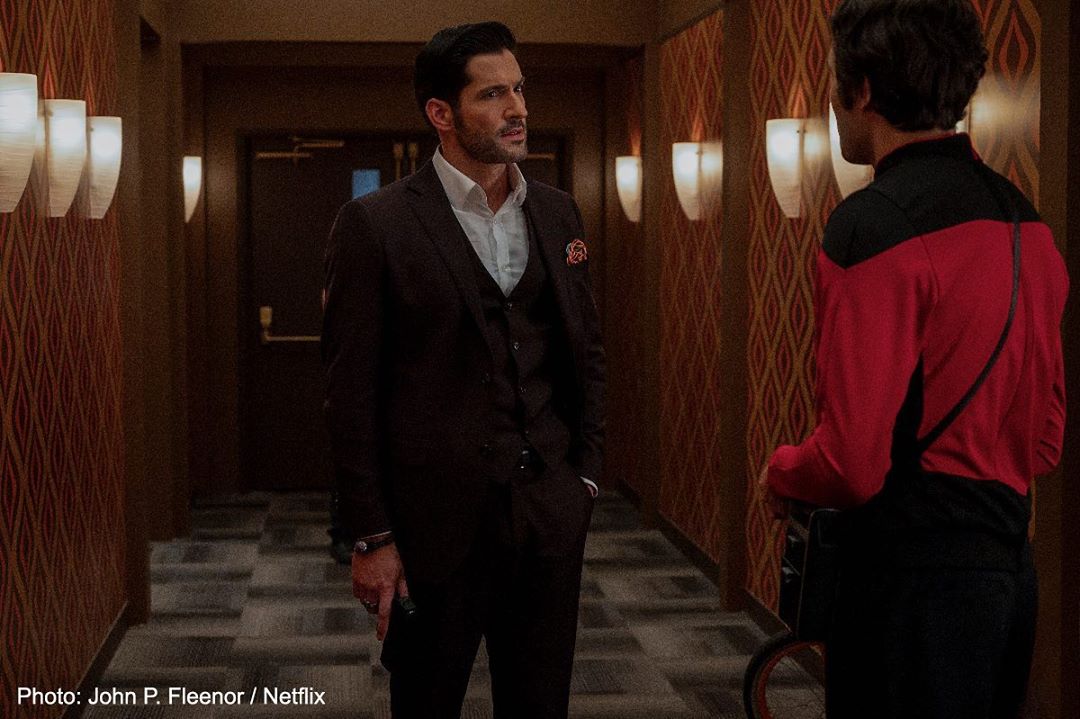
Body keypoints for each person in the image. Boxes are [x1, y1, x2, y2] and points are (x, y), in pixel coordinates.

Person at [759, 1, 1067, 717]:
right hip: (1005, 577)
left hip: (906, 584)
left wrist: (784, 469)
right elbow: (1045, 439)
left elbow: (852, 462)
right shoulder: (1028, 224)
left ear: (863, 90)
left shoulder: (871, 226)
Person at [321, 21, 604, 719]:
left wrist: (584, 478)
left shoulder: (558, 213)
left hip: (547, 517)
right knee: (425, 703)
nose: (517, 108)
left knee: (540, 705)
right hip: (431, 530)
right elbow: (349, 394)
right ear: (440, 113)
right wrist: (372, 534)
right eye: (493, 94)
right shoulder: (375, 224)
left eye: (519, 89)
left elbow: (585, 352)